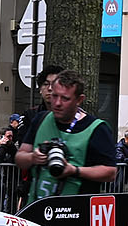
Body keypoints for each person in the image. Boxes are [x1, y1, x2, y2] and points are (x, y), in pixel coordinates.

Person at [17, 69, 118, 208]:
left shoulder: (97, 129)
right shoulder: (40, 119)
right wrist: (33, 158)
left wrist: (74, 170)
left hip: (76, 212)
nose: (57, 103)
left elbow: (110, 172)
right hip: (37, 209)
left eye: (65, 98)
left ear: (79, 100)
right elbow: (19, 158)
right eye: (54, 96)